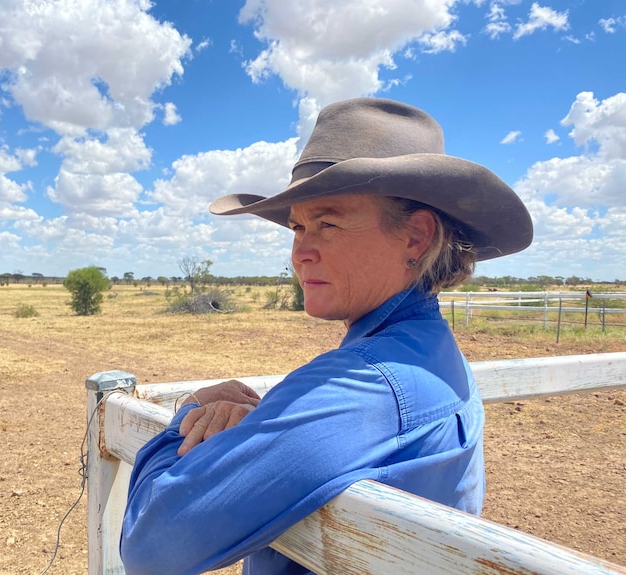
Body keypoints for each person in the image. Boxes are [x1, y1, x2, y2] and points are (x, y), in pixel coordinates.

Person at [120, 98, 533, 574]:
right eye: (298, 227)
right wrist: (267, 426)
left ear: (416, 237)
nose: (301, 254)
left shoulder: (368, 383)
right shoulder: (430, 353)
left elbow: (150, 545)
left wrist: (191, 413)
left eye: (328, 223)